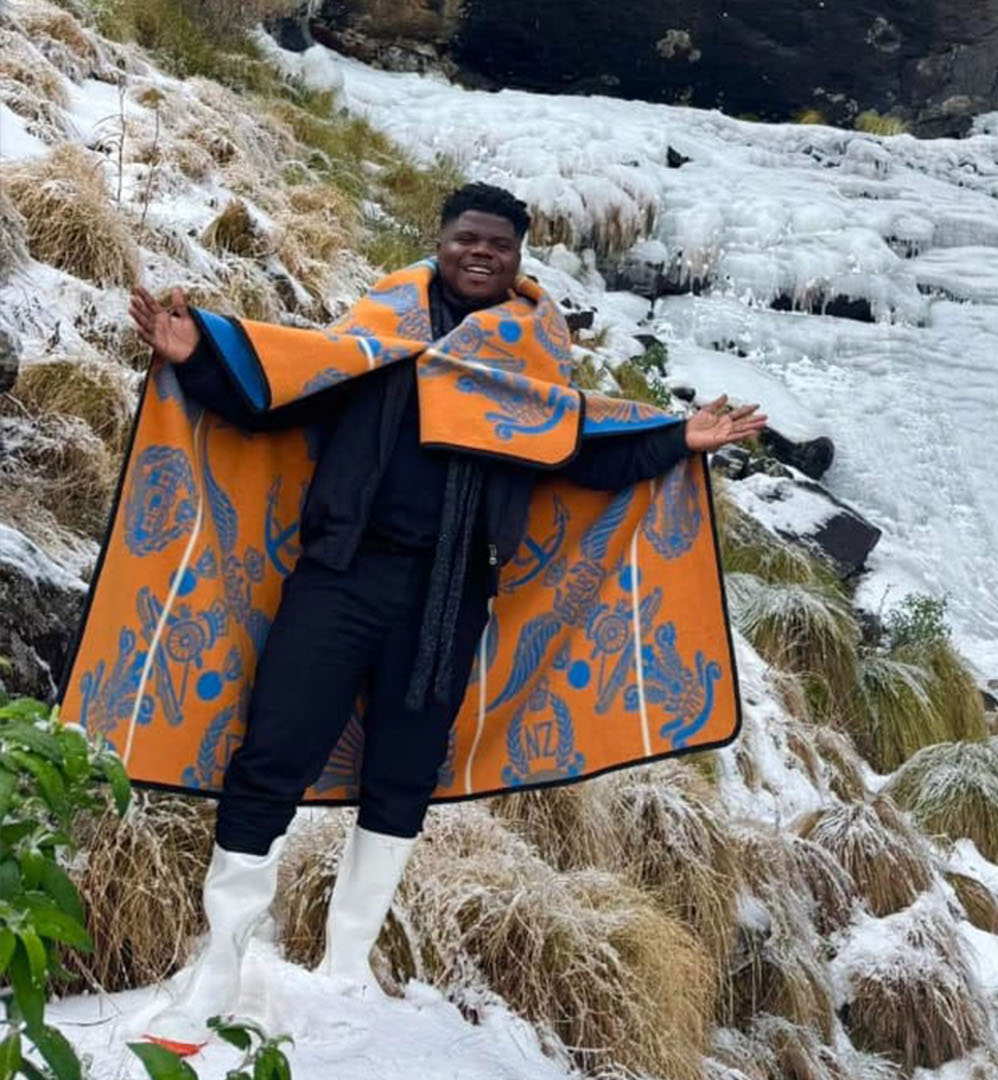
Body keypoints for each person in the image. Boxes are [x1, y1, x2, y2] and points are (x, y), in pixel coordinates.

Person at [101, 182, 766, 1052]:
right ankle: (218, 968)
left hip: (450, 597)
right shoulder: (377, 336)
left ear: (518, 260)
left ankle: (346, 968)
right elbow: (281, 390)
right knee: (271, 756)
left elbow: (578, 450)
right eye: (467, 238)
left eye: (499, 244)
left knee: (405, 774)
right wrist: (198, 360)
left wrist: (679, 440)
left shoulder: (532, 364)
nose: (481, 252)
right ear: (441, 242)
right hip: (343, 576)